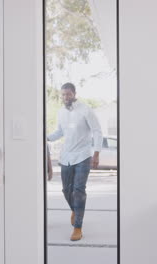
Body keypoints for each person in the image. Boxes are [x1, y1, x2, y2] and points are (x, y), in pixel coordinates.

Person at [47, 82, 102, 241]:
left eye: (68, 94)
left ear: (74, 94)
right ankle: (75, 209)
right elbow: (59, 132)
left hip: (83, 156)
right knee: (66, 190)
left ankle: (78, 227)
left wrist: (96, 154)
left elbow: (97, 131)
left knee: (78, 190)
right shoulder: (60, 112)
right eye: (63, 94)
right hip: (66, 156)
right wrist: (45, 137)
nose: (66, 97)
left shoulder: (85, 110)